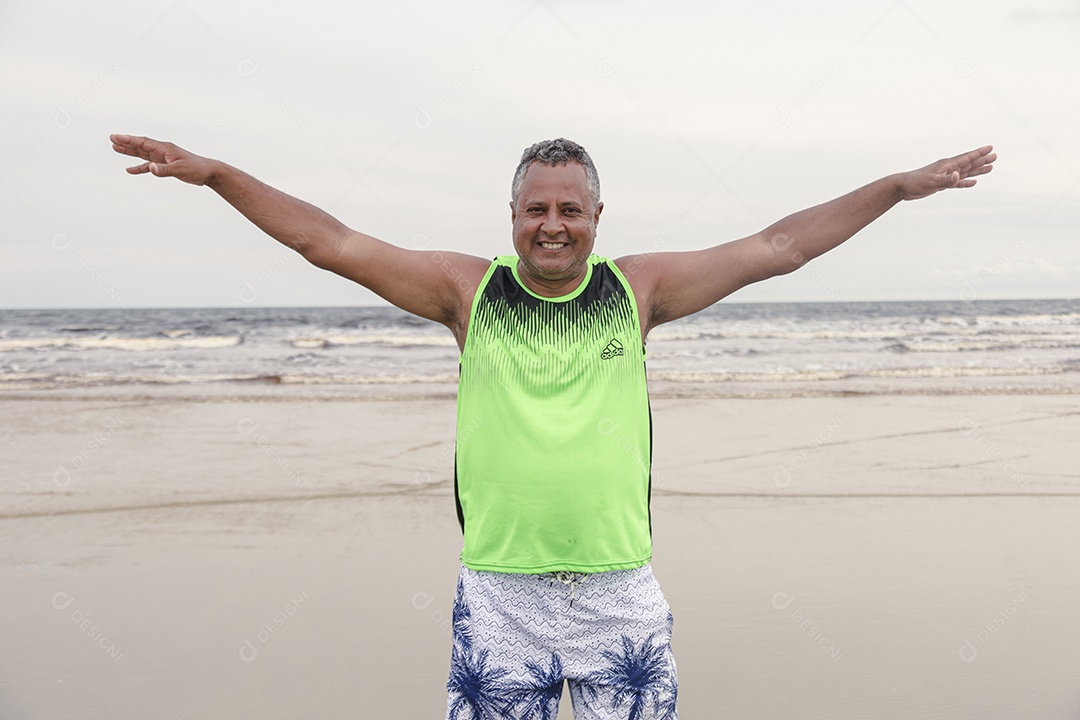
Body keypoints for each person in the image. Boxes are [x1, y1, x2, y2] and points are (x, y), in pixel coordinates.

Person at [110, 133, 995, 719]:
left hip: (621, 592)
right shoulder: (467, 291)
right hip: (501, 594)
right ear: (512, 217)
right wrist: (219, 175)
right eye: (537, 208)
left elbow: (778, 249)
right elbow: (329, 242)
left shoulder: (638, 291)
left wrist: (893, 189)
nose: (553, 224)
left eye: (570, 209)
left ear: (597, 220)